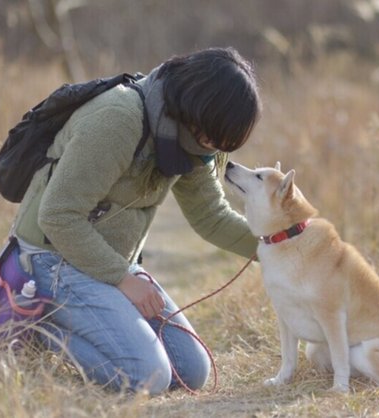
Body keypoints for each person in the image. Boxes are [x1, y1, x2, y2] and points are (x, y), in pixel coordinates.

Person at [13, 47, 261, 395]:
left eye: (222, 143)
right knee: (149, 376)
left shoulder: (191, 141)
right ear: (196, 107)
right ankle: (36, 328)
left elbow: (212, 217)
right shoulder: (118, 118)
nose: (214, 148)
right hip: (50, 258)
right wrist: (123, 280)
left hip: (108, 262)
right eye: (213, 136)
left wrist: (282, 246)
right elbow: (57, 215)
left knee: (191, 371)